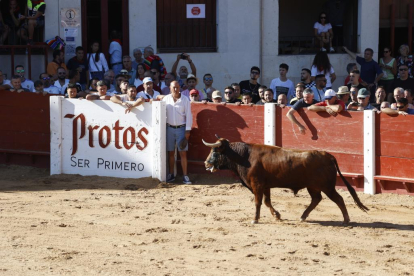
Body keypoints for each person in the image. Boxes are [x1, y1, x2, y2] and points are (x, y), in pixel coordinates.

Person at [162, 81, 193, 184]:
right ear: (170, 88)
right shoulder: (166, 99)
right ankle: (171, 174)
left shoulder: (185, 99)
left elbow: (189, 116)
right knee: (171, 152)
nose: (176, 89)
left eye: (177, 87)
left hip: (181, 129)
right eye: (174, 88)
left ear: (180, 88)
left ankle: (185, 175)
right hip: (169, 128)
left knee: (183, 153)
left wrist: (187, 131)